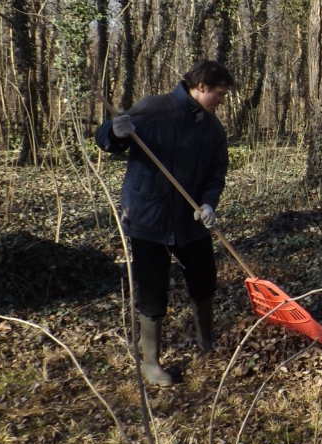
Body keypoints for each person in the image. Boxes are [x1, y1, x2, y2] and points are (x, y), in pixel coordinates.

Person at [95, 60, 234, 386]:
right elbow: (105, 138)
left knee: (204, 281)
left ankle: (205, 342)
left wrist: (208, 203)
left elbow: (216, 175)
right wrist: (114, 132)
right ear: (201, 87)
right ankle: (151, 362)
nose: (222, 100)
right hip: (148, 218)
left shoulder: (213, 130)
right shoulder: (153, 109)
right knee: (152, 290)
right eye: (219, 93)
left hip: (191, 221)